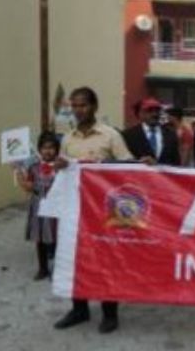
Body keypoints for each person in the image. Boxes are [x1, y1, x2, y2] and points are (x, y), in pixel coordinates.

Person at [53, 87, 136, 334]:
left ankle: (110, 313)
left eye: (83, 105)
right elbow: (63, 170)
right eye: (74, 106)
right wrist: (59, 166)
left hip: (104, 213)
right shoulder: (68, 139)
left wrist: (144, 163)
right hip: (75, 211)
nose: (79, 110)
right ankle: (79, 309)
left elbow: (128, 167)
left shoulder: (110, 135)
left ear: (94, 106)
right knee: (75, 258)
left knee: (107, 260)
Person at [16, 132, 60, 281]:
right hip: (38, 207)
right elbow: (28, 186)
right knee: (39, 238)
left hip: (56, 207)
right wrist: (19, 174)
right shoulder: (34, 167)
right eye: (44, 148)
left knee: (56, 237)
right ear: (39, 149)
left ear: (57, 149)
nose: (48, 151)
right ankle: (43, 268)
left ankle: (58, 269)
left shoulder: (61, 167)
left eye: (52, 147)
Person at [122, 98, 181, 166]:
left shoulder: (170, 134)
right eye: (150, 111)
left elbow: (176, 163)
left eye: (157, 111)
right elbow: (125, 161)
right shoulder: (129, 135)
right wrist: (140, 162)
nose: (154, 114)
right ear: (141, 114)